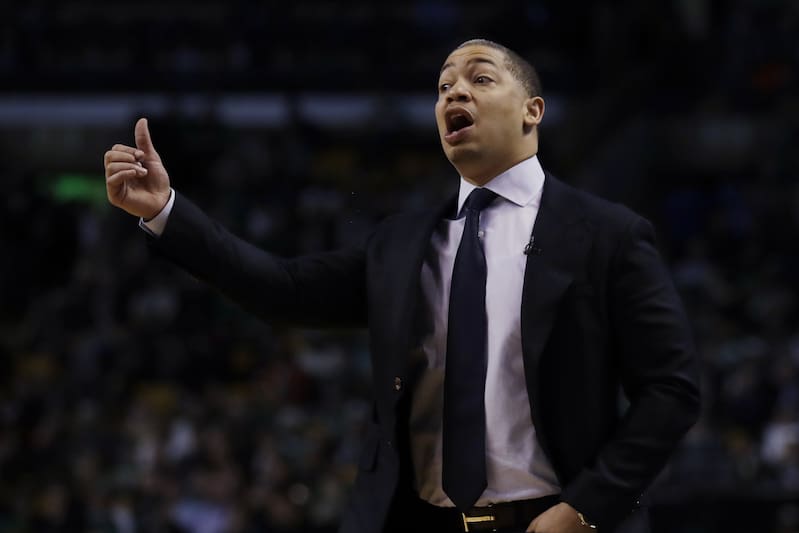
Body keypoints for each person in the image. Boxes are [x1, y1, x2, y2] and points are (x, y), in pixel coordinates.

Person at [103, 39, 701, 533]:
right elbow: (280, 289)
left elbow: (672, 389)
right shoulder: (402, 242)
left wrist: (587, 509)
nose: (454, 92)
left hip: (553, 521)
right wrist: (168, 213)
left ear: (532, 111)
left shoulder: (608, 235)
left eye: (480, 79)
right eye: (443, 87)